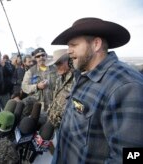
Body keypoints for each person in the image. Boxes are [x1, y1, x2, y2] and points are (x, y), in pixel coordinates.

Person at [51, 17, 143, 164]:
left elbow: (131, 156)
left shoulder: (126, 86)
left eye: (73, 45)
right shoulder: (84, 74)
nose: (68, 51)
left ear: (96, 44)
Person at [21, 47, 57, 112]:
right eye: (38, 56)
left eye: (43, 55)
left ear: (46, 56)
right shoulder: (30, 72)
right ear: (35, 58)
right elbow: (24, 87)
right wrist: (37, 86)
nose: (41, 57)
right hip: (38, 107)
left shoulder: (55, 69)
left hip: (53, 105)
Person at [46, 49, 74, 129]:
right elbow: (55, 100)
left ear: (70, 61)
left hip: (67, 127)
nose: (57, 67)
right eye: (55, 64)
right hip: (55, 124)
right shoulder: (59, 79)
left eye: (59, 63)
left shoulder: (77, 78)